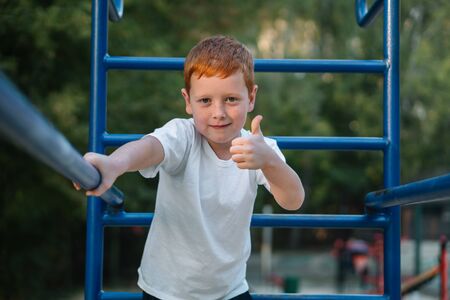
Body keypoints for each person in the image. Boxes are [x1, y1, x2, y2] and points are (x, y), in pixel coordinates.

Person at [75, 36, 305, 300]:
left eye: (231, 99)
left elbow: (293, 200)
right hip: (166, 291)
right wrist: (114, 164)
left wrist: (269, 161)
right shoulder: (182, 136)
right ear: (188, 101)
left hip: (229, 291)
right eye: (205, 101)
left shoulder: (258, 148)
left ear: (251, 97)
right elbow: (150, 147)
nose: (218, 112)